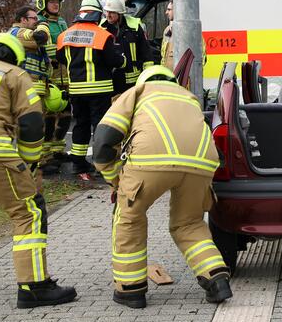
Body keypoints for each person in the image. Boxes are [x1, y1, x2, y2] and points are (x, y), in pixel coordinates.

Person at [92, 65, 232, 309]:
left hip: (150, 161)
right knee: (189, 223)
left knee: (129, 219)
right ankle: (216, 277)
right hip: (201, 163)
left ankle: (130, 290)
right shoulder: (189, 98)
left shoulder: (137, 92)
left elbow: (104, 141)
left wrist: (115, 180)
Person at [0, 33, 76, 308]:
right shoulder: (16, 75)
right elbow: (32, 123)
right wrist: (30, 163)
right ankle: (34, 286)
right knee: (29, 212)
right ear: (15, 56)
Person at [56, 0, 125, 179]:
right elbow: (113, 60)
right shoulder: (103, 35)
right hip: (99, 91)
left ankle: (78, 164)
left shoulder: (64, 36)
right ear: (97, 15)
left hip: (76, 91)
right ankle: (102, 164)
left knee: (81, 125)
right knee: (100, 127)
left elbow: (61, 58)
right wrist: (123, 59)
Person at [8, 7, 54, 176]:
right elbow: (40, 37)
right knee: (28, 129)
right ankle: (23, 165)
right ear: (23, 20)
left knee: (36, 128)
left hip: (34, 89)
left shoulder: (25, 33)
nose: (36, 21)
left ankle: (37, 162)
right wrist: (44, 24)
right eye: (34, 18)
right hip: (26, 90)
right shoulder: (17, 33)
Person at [36, 0, 71, 174]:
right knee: (48, 118)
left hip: (65, 76)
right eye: (51, 2)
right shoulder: (39, 24)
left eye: (57, 2)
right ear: (43, 4)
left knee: (65, 115)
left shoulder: (62, 22)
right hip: (49, 76)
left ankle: (58, 151)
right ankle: (45, 158)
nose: (55, 5)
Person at [100, 0, 153, 94]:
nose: (108, 15)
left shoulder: (134, 27)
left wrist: (148, 78)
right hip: (109, 82)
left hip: (131, 83)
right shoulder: (101, 28)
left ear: (120, 13)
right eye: (106, 12)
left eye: (111, 12)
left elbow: (146, 55)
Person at [160, 0, 174, 70]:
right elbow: (163, 57)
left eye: (169, 9)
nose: (166, 12)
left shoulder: (189, 31)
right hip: (168, 74)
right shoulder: (167, 30)